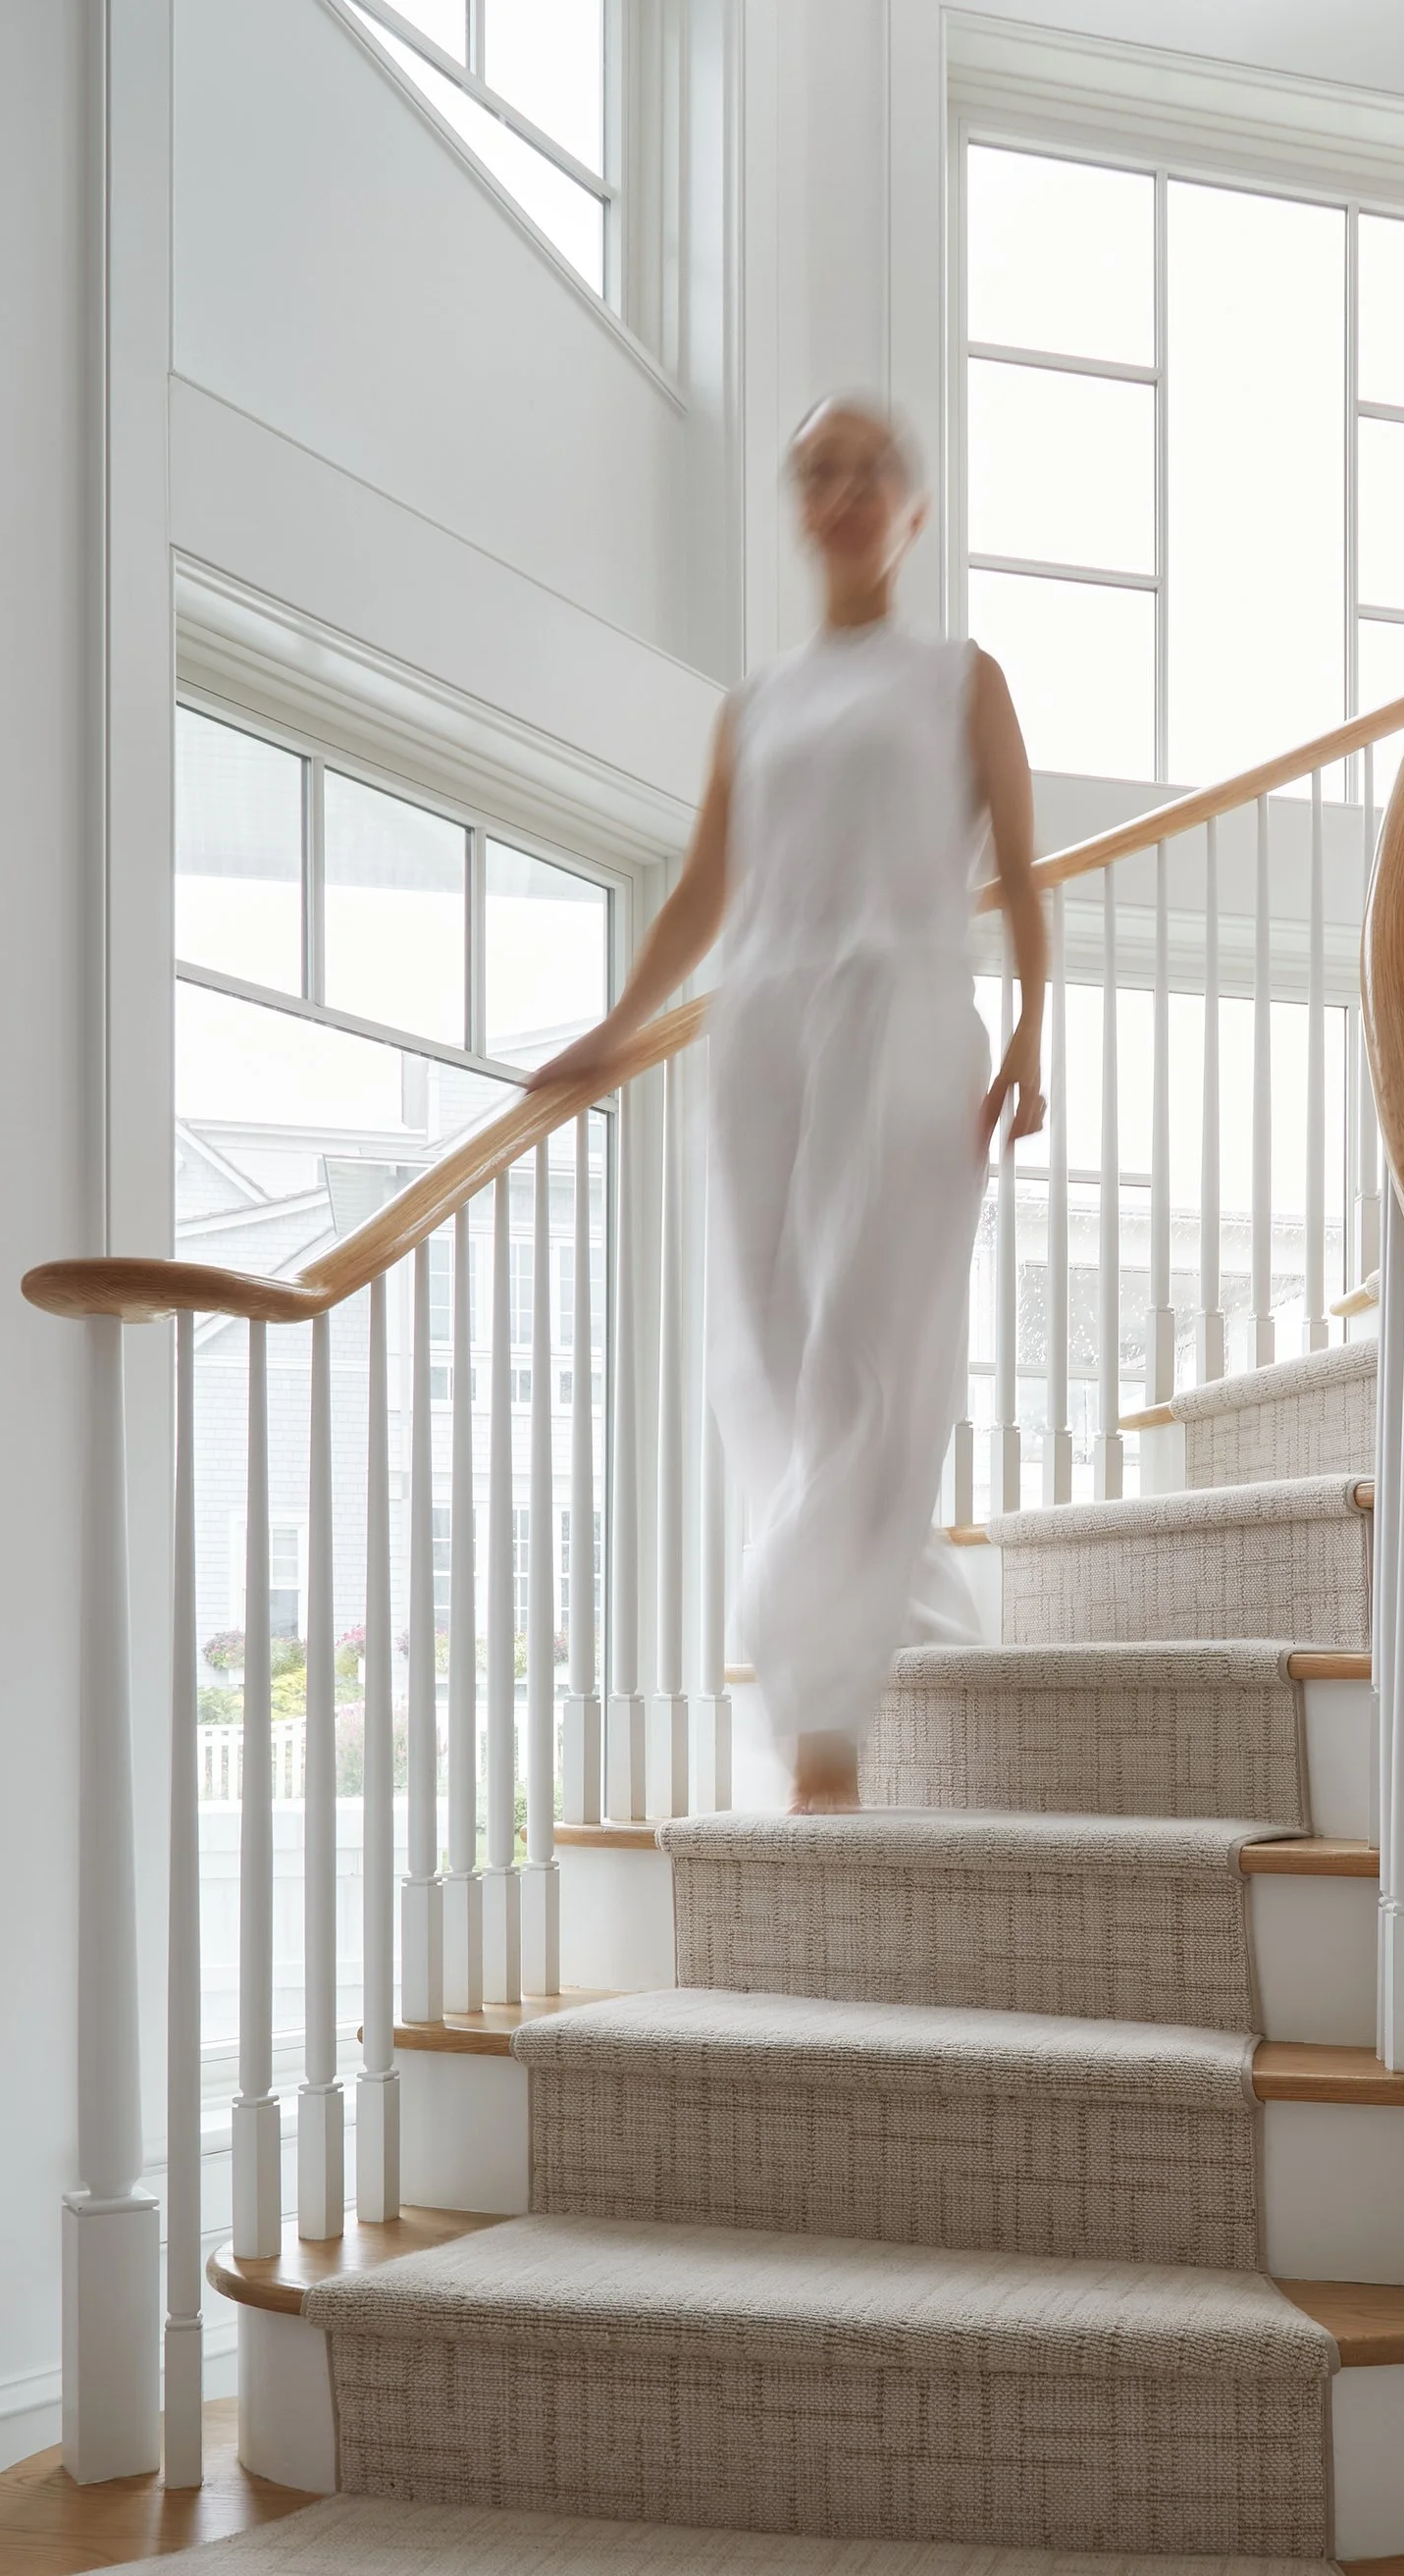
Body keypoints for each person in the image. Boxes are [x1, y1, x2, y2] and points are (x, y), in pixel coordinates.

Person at [534, 396, 1048, 1810]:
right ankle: (878, 1617)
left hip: (902, 1026)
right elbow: (708, 886)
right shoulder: (752, 705)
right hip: (762, 1026)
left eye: (875, 468)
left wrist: (1035, 1036)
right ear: (798, 504)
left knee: (864, 1354)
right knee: (764, 1361)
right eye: (822, 469)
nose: (848, 488)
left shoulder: (961, 677)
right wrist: (617, 1025)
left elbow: (1018, 861)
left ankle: (821, 1720)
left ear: (913, 508)